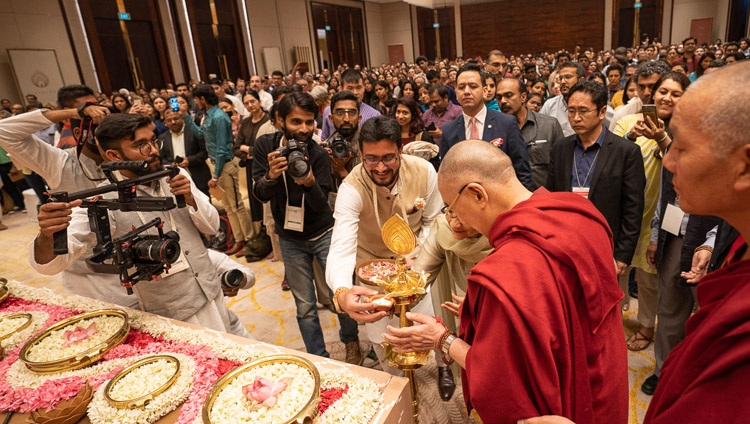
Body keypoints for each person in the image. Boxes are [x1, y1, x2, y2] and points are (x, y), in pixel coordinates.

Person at [383, 139, 628, 423]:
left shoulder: (506, 274)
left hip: (565, 404)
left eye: (453, 206)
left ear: (477, 194)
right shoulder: (582, 214)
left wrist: (442, 339)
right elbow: (569, 307)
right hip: (606, 376)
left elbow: (498, 381)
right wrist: (499, 316)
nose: (454, 218)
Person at [30, 113, 249, 337]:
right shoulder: (106, 200)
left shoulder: (175, 175)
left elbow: (212, 227)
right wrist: (47, 234)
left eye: (153, 141)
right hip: (175, 315)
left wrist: (191, 199)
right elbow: (50, 265)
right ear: (114, 155)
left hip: (212, 293)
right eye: (141, 145)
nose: (154, 150)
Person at [252, 91, 362, 364]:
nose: (303, 129)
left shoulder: (318, 153)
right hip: (289, 239)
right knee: (305, 307)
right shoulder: (265, 147)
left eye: (309, 122)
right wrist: (271, 176)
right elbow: (259, 195)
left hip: (324, 232)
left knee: (341, 294)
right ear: (280, 121)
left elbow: (322, 207)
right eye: (295, 122)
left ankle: (351, 341)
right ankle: (319, 357)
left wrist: (310, 183)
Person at [326, 116, 442, 374]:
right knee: (386, 345)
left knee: (430, 331)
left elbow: (434, 220)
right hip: (375, 281)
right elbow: (342, 245)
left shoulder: (424, 171)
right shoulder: (351, 188)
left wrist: (420, 255)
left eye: (388, 158)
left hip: (418, 270)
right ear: (360, 155)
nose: (380, 167)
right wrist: (342, 291)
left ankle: (444, 369)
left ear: (401, 150)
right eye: (371, 159)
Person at [612, 72, 690, 351]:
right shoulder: (627, 123)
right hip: (624, 214)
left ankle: (646, 326)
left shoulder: (687, 131)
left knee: (648, 278)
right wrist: (629, 138)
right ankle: (611, 319)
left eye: (675, 93)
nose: (666, 97)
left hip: (661, 219)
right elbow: (609, 160)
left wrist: (661, 138)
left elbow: (684, 170)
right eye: (662, 91)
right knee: (615, 270)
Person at [547, 81, 646, 280]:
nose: (576, 118)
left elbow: (633, 209)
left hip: (605, 245)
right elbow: (551, 197)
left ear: (602, 112)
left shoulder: (625, 151)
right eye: (571, 111)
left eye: (583, 111)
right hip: (565, 244)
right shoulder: (561, 148)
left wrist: (622, 255)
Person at [412, 207, 492, 401]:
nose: (454, 223)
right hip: (469, 316)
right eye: (449, 211)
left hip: (502, 321)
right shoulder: (444, 228)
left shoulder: (510, 233)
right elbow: (416, 281)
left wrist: (485, 308)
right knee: (478, 376)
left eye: (462, 214)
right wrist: (390, 301)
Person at [182, 84, 254, 256]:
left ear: (203, 99)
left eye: (197, 99)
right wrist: (186, 118)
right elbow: (202, 135)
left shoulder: (220, 117)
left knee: (237, 206)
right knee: (229, 207)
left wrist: (215, 175)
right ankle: (238, 239)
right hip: (215, 164)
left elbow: (222, 148)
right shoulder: (207, 115)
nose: (195, 102)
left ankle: (249, 240)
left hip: (226, 165)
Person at [440, 63, 532, 189]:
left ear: (485, 91)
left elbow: (522, 172)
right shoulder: (449, 130)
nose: (466, 92)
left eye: (473, 86)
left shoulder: (506, 123)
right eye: (461, 87)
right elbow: (446, 176)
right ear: (456, 93)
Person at [497, 77, 564, 190]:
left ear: (523, 97)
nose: (503, 101)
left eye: (508, 95)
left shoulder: (549, 125)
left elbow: (562, 166)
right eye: (499, 97)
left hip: (544, 199)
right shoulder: (495, 128)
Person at [159, 109, 211, 197]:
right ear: (165, 122)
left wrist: (189, 160)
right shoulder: (162, 138)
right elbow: (161, 158)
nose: (173, 122)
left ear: (182, 118)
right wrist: (170, 165)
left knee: (205, 202)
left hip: (198, 175)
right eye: (169, 120)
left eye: (176, 119)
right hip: (176, 179)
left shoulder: (194, 132)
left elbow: (205, 152)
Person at [320, 69, 381, 140]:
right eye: (350, 88)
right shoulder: (328, 111)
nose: (355, 92)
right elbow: (324, 138)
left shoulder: (374, 115)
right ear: (341, 88)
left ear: (364, 88)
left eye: (358, 88)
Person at [540, 62, 585, 137]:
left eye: (568, 77)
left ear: (580, 80)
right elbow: (540, 130)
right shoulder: (550, 104)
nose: (563, 82)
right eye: (560, 78)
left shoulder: (592, 103)